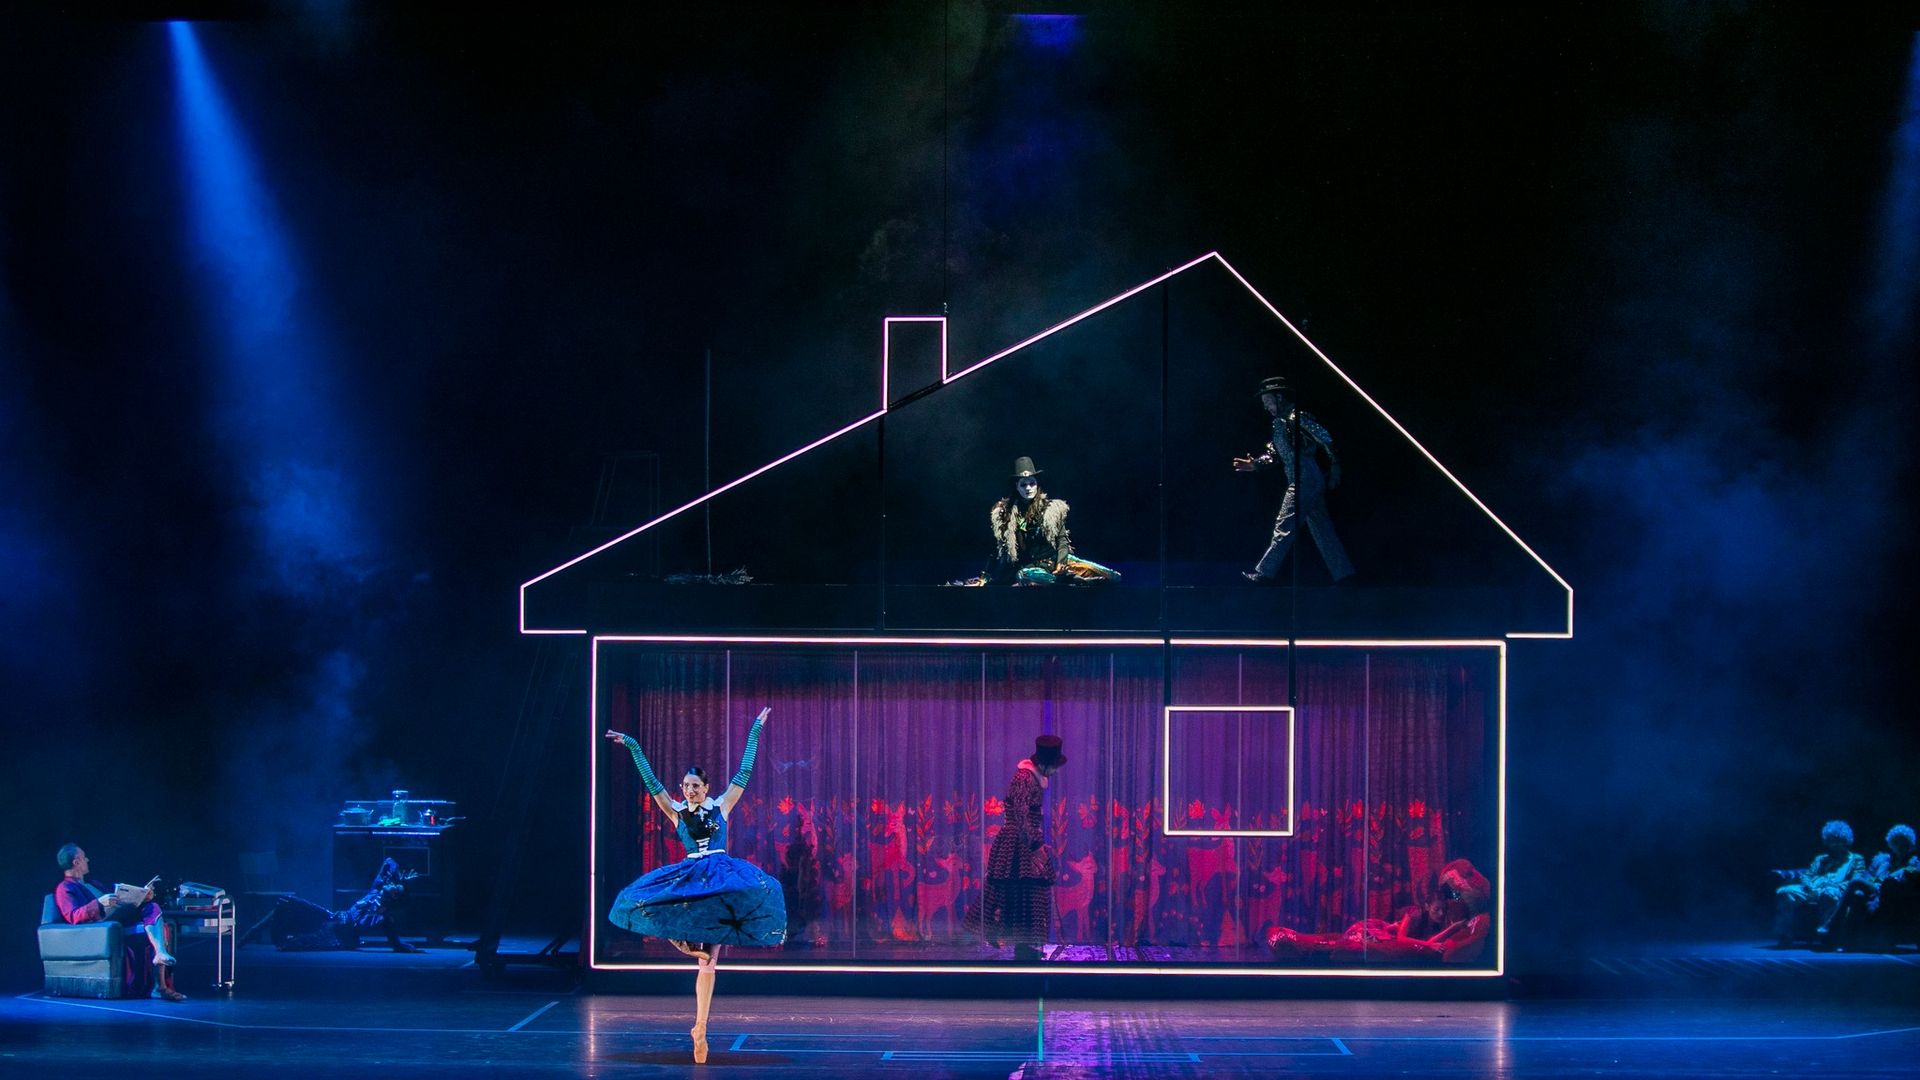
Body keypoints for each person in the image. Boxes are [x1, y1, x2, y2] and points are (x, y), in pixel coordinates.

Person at [606, 707, 787, 1064]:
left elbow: (744, 771)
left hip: (719, 879)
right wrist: (632, 744)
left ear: (706, 788)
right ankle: (689, 948)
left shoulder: (722, 806)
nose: (689, 791)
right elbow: (652, 782)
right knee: (647, 904)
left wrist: (755, 728)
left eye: (695, 786)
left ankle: (700, 1027)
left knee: (711, 962)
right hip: (691, 877)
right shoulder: (675, 811)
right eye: (686, 786)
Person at [1234, 375, 1355, 584]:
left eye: (1268, 401)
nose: (1266, 407)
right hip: (1299, 476)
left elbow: (1325, 439)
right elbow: (1275, 454)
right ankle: (1345, 575)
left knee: (1285, 522)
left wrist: (1335, 466)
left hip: (1305, 476)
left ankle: (1265, 573)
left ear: (1279, 398)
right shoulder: (1279, 424)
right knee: (1322, 528)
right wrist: (1256, 464)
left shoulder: (1296, 418)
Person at [1264, 858, 1491, 964]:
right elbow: (1404, 939)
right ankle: (1287, 940)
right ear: (1426, 906)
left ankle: (1291, 941)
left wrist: (1451, 929)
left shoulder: (1436, 922)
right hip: (1374, 932)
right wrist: (1432, 942)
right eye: (1437, 910)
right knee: (1332, 944)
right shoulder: (1414, 914)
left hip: (1383, 934)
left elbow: (1428, 943)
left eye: (1442, 910)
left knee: (1333, 943)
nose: (1440, 914)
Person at [969, 735, 1068, 963]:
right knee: (1021, 892)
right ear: (1045, 764)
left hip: (1023, 841)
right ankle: (1014, 940)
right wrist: (1035, 845)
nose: (1056, 771)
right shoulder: (1024, 778)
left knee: (1024, 894)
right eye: (1054, 765)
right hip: (1018, 844)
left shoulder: (1032, 779)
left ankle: (1024, 944)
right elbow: (1022, 815)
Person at [52, 843, 185, 1001]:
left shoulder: (94, 884)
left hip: (119, 918)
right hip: (102, 928)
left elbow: (118, 899)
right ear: (76, 862)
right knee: (150, 927)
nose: (87, 860)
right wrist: (99, 903)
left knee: (153, 909)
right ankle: (159, 987)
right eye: (84, 857)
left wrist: (142, 896)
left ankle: (160, 958)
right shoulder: (64, 888)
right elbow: (73, 916)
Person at [964, 457, 1120, 586]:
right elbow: (996, 549)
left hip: (1057, 562)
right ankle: (1069, 582)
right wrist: (985, 577)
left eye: (1032, 483)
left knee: (1112, 577)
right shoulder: (1006, 513)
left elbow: (1062, 540)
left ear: (1037, 485)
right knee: (1024, 575)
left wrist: (1061, 563)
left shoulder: (1051, 509)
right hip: (1033, 569)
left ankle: (1070, 579)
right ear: (1016, 486)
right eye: (1023, 484)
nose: (1028, 488)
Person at [1817, 824, 1918, 952]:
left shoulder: (1913, 862)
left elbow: (1907, 877)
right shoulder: (1882, 860)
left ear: (1910, 845)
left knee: (1855, 881)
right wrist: (1871, 881)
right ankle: (1848, 942)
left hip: (1888, 894)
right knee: (1858, 894)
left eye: (1903, 842)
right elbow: (1867, 875)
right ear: (1891, 844)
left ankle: (1830, 924)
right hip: (1873, 890)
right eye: (1896, 842)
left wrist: (1887, 878)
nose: (1900, 845)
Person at [1773, 819, 1865, 946]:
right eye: (1831, 841)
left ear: (1845, 840)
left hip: (1836, 890)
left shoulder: (1856, 859)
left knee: (1828, 893)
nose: (1835, 844)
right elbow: (1807, 876)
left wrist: (1831, 886)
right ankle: (1785, 935)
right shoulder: (1821, 859)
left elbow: (1855, 880)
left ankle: (1826, 936)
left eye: (1838, 841)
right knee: (1784, 892)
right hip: (1812, 889)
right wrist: (1809, 886)